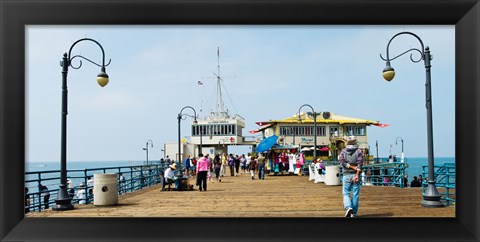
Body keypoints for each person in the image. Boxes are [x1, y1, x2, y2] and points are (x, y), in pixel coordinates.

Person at [339, 135, 363, 218]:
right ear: (355, 142)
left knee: (346, 193)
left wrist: (351, 167)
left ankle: (349, 207)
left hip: (346, 175)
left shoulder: (343, 151)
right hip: (356, 175)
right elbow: (360, 164)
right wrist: (356, 174)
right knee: (355, 194)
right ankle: (354, 213)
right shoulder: (359, 151)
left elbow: (343, 163)